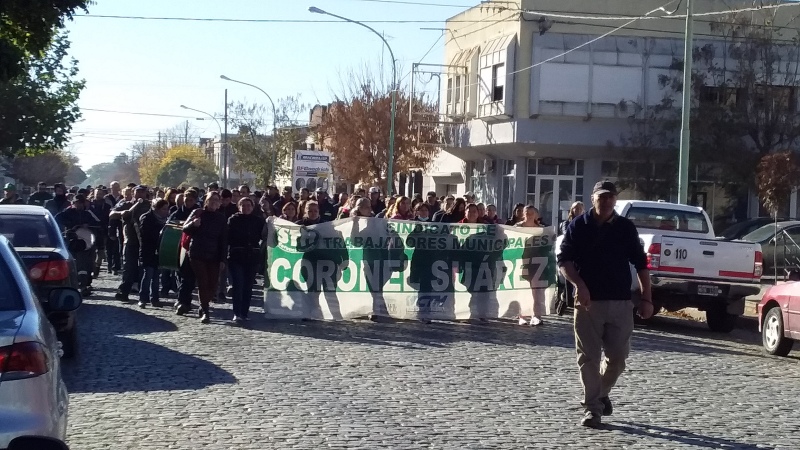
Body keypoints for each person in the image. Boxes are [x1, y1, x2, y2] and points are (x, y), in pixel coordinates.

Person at [557, 181, 653, 428]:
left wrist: (646, 298)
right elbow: (564, 260)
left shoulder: (625, 228)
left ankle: (600, 393)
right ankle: (593, 409)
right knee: (588, 357)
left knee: (618, 358)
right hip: (588, 304)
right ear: (593, 199)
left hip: (621, 302)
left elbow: (641, 264)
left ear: (615, 200)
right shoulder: (579, 226)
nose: (607, 201)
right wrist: (579, 284)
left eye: (611, 197)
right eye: (602, 197)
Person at [183, 192, 227, 324]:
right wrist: (193, 225)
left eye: (216, 200)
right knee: (203, 281)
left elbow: (224, 240)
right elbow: (185, 229)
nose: (213, 202)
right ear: (206, 201)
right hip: (197, 253)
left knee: (213, 284)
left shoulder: (221, 218)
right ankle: (205, 310)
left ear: (219, 203)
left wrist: (223, 259)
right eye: (211, 199)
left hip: (214, 255)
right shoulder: (198, 212)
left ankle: (204, 305)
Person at [227, 197, 263, 322]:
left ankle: (244, 313)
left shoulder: (258, 221)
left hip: (252, 257)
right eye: (243, 205)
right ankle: (236, 312)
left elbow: (265, 234)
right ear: (239, 207)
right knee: (238, 284)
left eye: (248, 205)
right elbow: (227, 237)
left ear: (252, 207)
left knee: (248, 286)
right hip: (236, 256)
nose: (246, 208)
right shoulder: (233, 220)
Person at [113, 186, 151, 302]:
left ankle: (144, 295)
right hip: (130, 241)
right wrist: (121, 213)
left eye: (142, 192)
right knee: (129, 268)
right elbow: (112, 214)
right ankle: (123, 292)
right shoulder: (126, 204)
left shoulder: (150, 206)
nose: (140, 194)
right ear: (133, 193)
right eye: (138, 192)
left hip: (146, 241)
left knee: (144, 269)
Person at [515, 205, 546, 326]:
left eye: (532, 213)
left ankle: (536, 315)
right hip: (521, 262)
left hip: (537, 263)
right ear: (523, 214)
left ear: (536, 215)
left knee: (537, 291)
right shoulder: (517, 228)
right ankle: (521, 316)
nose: (529, 215)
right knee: (522, 290)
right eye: (527, 212)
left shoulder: (542, 229)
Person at [137, 199, 170, 308]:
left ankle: (154, 299)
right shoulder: (147, 218)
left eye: (167, 209)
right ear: (157, 209)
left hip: (159, 250)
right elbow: (145, 235)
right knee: (148, 275)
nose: (166, 211)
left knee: (156, 277)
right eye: (164, 209)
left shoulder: (165, 219)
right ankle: (143, 298)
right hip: (148, 250)